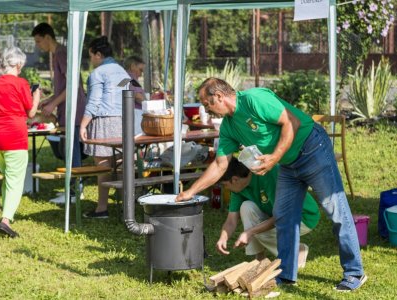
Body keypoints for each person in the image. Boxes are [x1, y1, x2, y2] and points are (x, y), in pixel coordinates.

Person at [176, 78, 366, 291]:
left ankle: (354, 272)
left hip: (312, 149)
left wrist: (274, 158)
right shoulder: (228, 127)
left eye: (206, 104)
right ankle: (285, 274)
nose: (205, 109)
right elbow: (221, 165)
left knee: (337, 211)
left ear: (219, 96)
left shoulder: (254, 99)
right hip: (287, 162)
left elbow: (291, 122)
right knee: (284, 217)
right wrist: (191, 191)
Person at [217, 157, 319, 267]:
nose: (225, 188)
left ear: (235, 179)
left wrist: (250, 232)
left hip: (302, 216)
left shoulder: (268, 174)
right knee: (246, 207)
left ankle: (298, 250)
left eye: (225, 185)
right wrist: (223, 237)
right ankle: (260, 259)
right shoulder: (238, 188)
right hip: (277, 214)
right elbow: (231, 220)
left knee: (258, 233)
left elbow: (280, 215)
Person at [0, 46, 40, 238]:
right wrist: (37, 96)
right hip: (14, 135)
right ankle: (6, 220)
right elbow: (31, 112)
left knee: (8, 175)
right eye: (21, 65)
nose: (21, 69)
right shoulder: (21, 83)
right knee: (15, 179)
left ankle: (5, 210)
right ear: (17, 64)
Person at [31, 23, 87, 203]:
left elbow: (73, 85)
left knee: (73, 151)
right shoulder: (58, 54)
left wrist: (52, 104)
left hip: (75, 109)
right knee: (71, 150)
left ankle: (74, 192)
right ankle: (73, 189)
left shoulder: (61, 53)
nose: (38, 45)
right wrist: (50, 100)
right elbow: (64, 87)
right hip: (69, 108)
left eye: (39, 41)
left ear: (48, 37)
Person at [80, 36, 130, 219]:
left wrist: (83, 125)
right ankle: (127, 208)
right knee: (121, 165)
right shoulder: (123, 72)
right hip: (123, 120)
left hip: (104, 121)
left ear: (98, 54)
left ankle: (102, 208)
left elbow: (93, 102)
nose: (91, 60)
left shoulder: (98, 73)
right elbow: (123, 95)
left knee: (103, 167)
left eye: (91, 56)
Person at [123, 55, 146, 135]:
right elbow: (137, 96)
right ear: (132, 66)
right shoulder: (130, 78)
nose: (141, 74)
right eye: (140, 70)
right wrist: (148, 103)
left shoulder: (123, 77)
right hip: (135, 115)